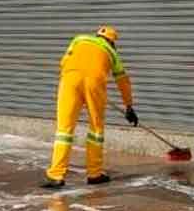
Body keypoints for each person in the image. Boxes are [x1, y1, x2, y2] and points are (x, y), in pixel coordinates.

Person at [43, 26, 139, 189]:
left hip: (69, 80)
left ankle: (56, 175)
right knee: (96, 129)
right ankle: (94, 174)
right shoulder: (111, 52)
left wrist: (75, 77)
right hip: (94, 83)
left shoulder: (78, 39)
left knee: (64, 130)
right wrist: (129, 106)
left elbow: (64, 62)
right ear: (111, 41)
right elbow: (123, 81)